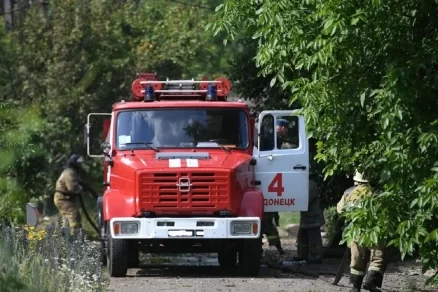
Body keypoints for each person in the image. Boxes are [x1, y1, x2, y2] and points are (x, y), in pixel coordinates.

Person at [337, 170, 388, 292]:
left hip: (356, 230)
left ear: (356, 179)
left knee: (357, 259)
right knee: (378, 258)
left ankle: (355, 287)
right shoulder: (378, 193)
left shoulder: (348, 192)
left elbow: (340, 210)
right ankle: (371, 281)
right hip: (376, 230)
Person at [293, 172, 325, 264]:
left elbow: (306, 199)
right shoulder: (304, 184)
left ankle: (316, 257)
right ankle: (302, 255)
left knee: (314, 239)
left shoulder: (311, 184)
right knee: (302, 237)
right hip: (307, 217)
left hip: (313, 218)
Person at [53, 154, 85, 236]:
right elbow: (72, 188)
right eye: (79, 163)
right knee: (72, 214)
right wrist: (81, 189)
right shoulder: (69, 172)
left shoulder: (72, 172)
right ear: (75, 163)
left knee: (70, 216)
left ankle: (65, 234)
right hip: (62, 199)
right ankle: (73, 235)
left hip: (65, 198)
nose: (80, 165)